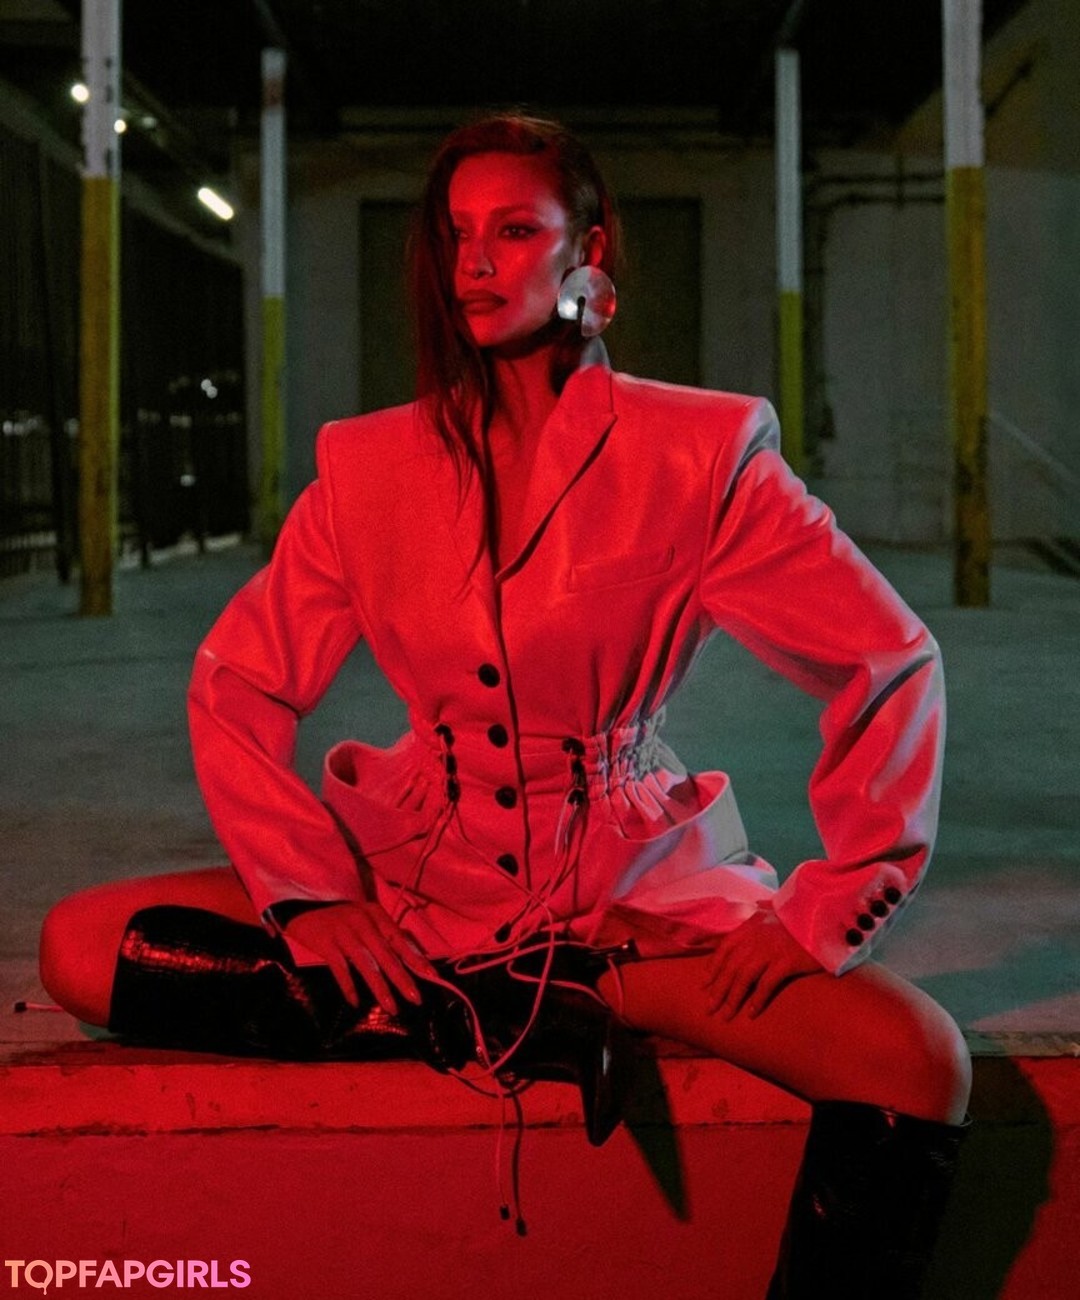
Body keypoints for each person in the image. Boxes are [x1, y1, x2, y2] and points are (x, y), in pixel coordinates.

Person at [40, 114, 970, 1296]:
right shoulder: (367, 467)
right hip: (419, 872)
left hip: (627, 901)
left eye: (515, 230)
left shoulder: (701, 452)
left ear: (589, 250)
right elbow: (238, 680)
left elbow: (889, 656)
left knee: (914, 1058)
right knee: (79, 946)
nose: (475, 261)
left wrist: (829, 901)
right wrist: (313, 895)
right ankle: (474, 1007)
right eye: (456, 234)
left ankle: (560, 988)